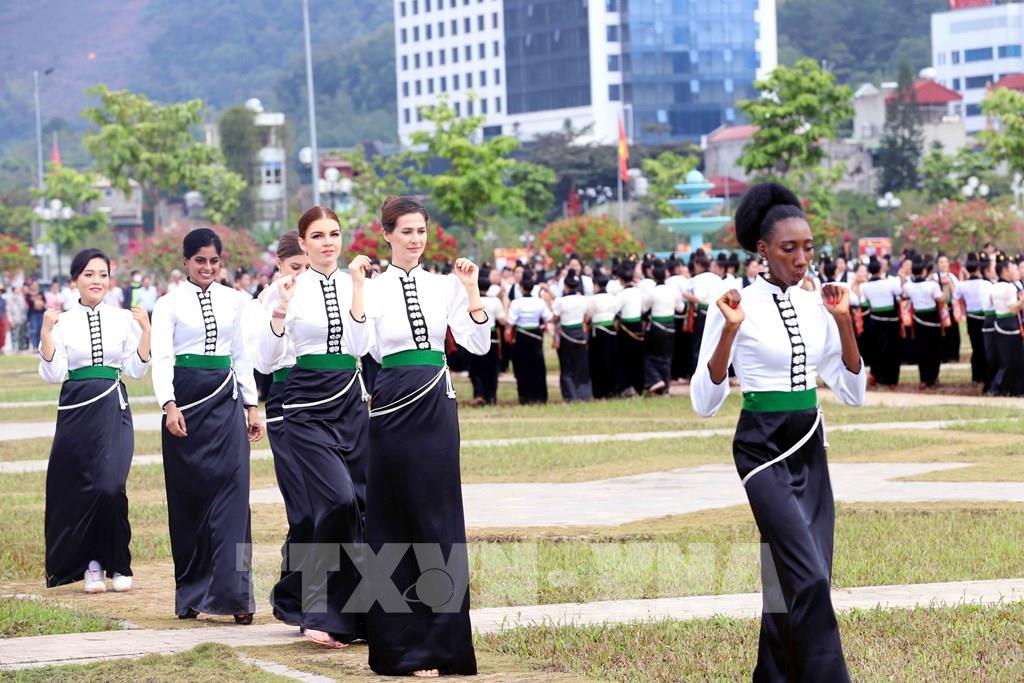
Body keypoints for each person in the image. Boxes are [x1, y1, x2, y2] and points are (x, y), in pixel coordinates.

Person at [691, 182, 864, 682]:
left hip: (810, 443)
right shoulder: (734, 304)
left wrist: (844, 321)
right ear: (762, 250)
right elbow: (704, 401)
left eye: (808, 247)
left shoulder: (818, 306)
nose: (802, 259)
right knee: (808, 578)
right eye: (789, 248)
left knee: (790, 583)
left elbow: (852, 390)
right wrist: (728, 330)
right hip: (761, 448)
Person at [362, 195, 489, 677]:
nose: (416, 239)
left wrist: (472, 291)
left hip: (437, 403)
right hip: (391, 402)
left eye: (421, 231)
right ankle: (401, 648)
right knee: (393, 519)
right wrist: (357, 291)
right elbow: (362, 347)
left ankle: (444, 645)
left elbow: (477, 344)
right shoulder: (372, 289)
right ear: (387, 234)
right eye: (406, 231)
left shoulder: (444, 286)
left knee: (439, 519)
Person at [259, 209, 373, 648]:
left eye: (334, 234)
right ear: (303, 244)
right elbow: (266, 360)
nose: (328, 242)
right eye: (318, 236)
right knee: (338, 501)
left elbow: (362, 347)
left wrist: (358, 289)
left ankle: (355, 616)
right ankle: (318, 608)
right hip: (305, 406)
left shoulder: (354, 284)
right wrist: (280, 310)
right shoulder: (285, 289)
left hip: (350, 401)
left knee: (360, 505)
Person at [151, 228, 264, 623]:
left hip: (226, 401)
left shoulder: (235, 301)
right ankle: (191, 592)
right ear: (186, 261)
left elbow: (241, 355)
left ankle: (238, 595)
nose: (208, 267)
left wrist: (252, 404)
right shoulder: (168, 304)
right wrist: (169, 405)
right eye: (200, 260)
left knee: (234, 496)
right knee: (190, 500)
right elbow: (162, 357)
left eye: (214, 261)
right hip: (185, 402)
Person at [38, 248, 151, 593]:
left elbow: (136, 370)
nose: (96, 281)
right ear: (75, 281)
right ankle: (93, 565)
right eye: (89, 274)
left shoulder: (123, 319)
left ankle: (119, 562)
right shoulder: (62, 322)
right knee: (81, 488)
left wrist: (146, 330)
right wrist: (46, 332)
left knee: (110, 486)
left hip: (113, 409)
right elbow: (53, 373)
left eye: (103, 274)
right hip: (76, 410)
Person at [251, 231, 311, 633]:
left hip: (330, 395)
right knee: (303, 506)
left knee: (337, 503)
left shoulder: (330, 289)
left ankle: (317, 599)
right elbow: (261, 360)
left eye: (307, 266)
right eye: (294, 267)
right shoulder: (268, 300)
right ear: (279, 264)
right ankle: (296, 598)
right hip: (285, 395)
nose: (301, 275)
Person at [506, 268, 552, 405]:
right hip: (536, 335)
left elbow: (511, 322)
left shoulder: (516, 303)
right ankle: (540, 396)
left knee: (523, 366)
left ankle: (525, 396)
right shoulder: (539, 302)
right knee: (538, 366)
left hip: (522, 336)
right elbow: (548, 317)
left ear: (521, 288)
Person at [859, 259, 903, 388]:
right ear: (880, 269)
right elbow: (899, 292)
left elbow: (865, 301)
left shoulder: (865, 286)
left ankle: (877, 376)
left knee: (876, 349)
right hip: (891, 321)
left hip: (875, 320)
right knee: (892, 350)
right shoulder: (889, 283)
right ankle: (892, 380)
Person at [551, 269, 593, 401]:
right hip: (580, 334)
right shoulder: (584, 300)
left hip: (566, 334)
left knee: (567, 366)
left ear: (565, 286)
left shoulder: (560, 302)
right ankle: (584, 393)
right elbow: (587, 317)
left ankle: (570, 394)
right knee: (581, 364)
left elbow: (554, 318)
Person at [642, 260, 683, 395]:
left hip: (656, 326)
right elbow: (680, 308)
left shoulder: (652, 291)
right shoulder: (673, 290)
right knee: (666, 357)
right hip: (670, 326)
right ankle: (665, 386)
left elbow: (644, 308)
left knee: (649, 356)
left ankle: (655, 379)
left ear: (653, 277)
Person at [903, 260, 945, 389]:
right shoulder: (932, 285)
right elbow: (941, 299)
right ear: (924, 271)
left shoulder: (908, 286)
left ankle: (923, 378)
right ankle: (933, 377)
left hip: (918, 319)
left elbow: (904, 296)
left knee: (922, 349)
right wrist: (946, 286)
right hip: (932, 318)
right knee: (935, 349)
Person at [467, 272, 505, 405]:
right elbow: (503, 320)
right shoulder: (495, 302)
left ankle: (479, 393)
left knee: (475, 368)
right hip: (491, 336)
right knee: (491, 368)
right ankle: (491, 396)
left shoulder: (470, 300)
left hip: (474, 337)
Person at [990, 258, 1024, 395]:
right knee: (1013, 360)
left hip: (1000, 323)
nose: (1016, 271)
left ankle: (1008, 389)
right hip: (1010, 326)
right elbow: (1013, 309)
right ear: (1005, 271)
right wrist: (1022, 301)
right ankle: (997, 388)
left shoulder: (995, 286)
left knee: (1008, 360)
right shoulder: (1009, 288)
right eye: (1013, 268)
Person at [954, 254, 989, 385]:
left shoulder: (962, 285)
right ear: (979, 268)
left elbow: (956, 296)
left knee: (975, 347)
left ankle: (976, 377)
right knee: (985, 346)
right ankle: (985, 375)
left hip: (971, 318)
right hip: (984, 317)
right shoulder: (985, 283)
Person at [587, 272, 621, 399]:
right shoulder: (613, 298)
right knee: (611, 359)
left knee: (598, 361)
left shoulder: (592, 300)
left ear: (596, 285)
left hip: (598, 331)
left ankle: (600, 390)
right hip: (611, 330)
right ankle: (613, 388)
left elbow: (588, 315)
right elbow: (616, 312)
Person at [614, 260, 645, 397]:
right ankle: (639, 386)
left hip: (626, 327)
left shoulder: (621, 294)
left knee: (625, 358)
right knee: (637, 357)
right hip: (638, 325)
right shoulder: (638, 292)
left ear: (621, 280)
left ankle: (626, 386)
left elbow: (615, 310)